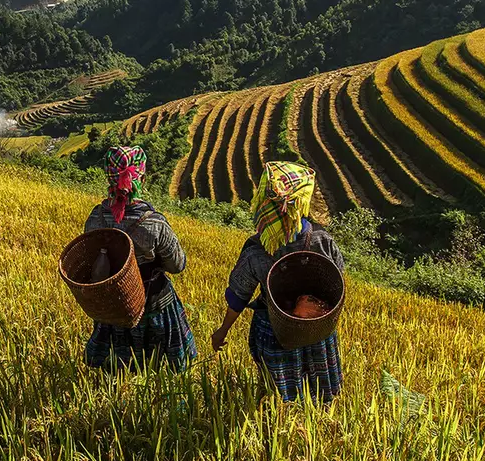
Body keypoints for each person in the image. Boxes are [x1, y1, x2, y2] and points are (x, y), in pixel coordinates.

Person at [211, 161, 346, 403]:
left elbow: (237, 297)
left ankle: (277, 425)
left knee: (278, 396)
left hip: (275, 330)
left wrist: (222, 331)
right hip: (316, 330)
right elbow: (337, 283)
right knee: (320, 393)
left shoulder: (256, 252)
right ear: (303, 202)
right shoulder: (323, 243)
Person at [83, 146, 198, 372]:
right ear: (142, 178)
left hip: (114, 306)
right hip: (153, 304)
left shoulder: (95, 219)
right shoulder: (153, 224)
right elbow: (177, 264)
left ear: (109, 177)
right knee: (164, 370)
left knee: (116, 372)